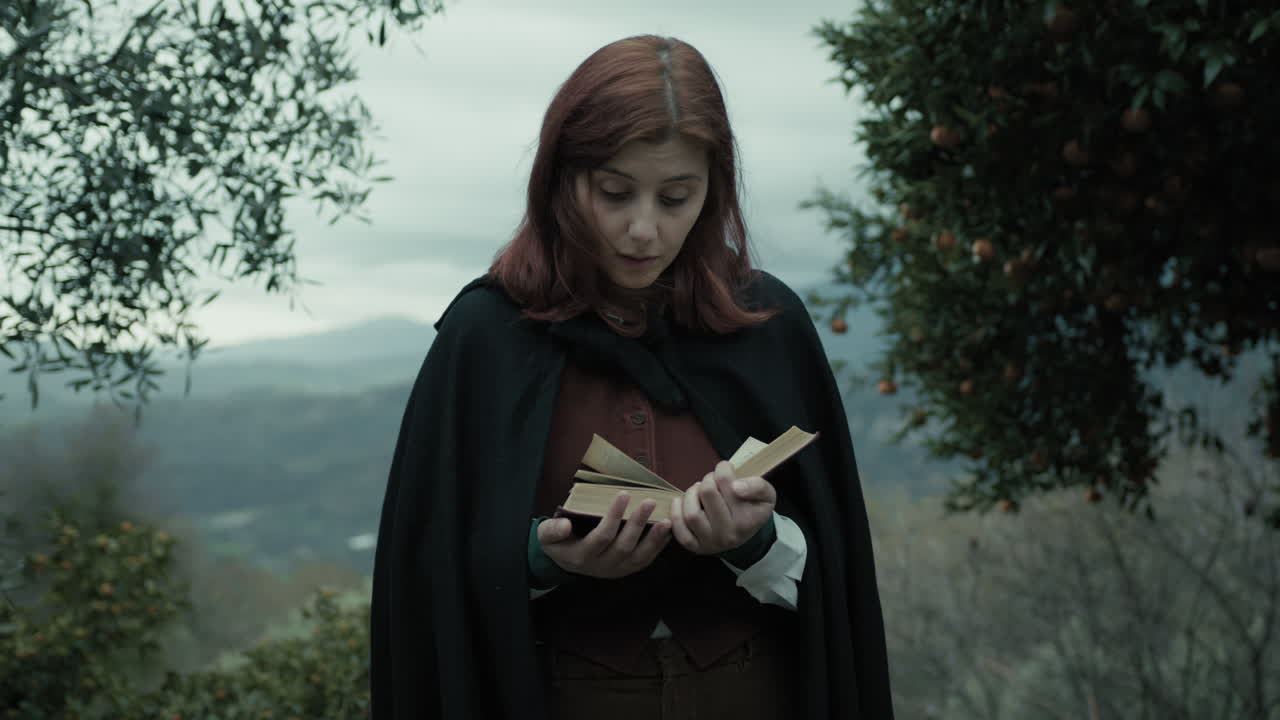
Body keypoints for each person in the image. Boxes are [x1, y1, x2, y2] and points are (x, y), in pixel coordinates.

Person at [370, 35, 894, 719]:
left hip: (754, 692)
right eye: (614, 192)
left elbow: (834, 581)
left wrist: (754, 543)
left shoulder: (767, 326)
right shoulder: (487, 337)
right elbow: (429, 582)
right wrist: (542, 558)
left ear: (712, 193)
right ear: (563, 179)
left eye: (676, 197)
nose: (643, 229)